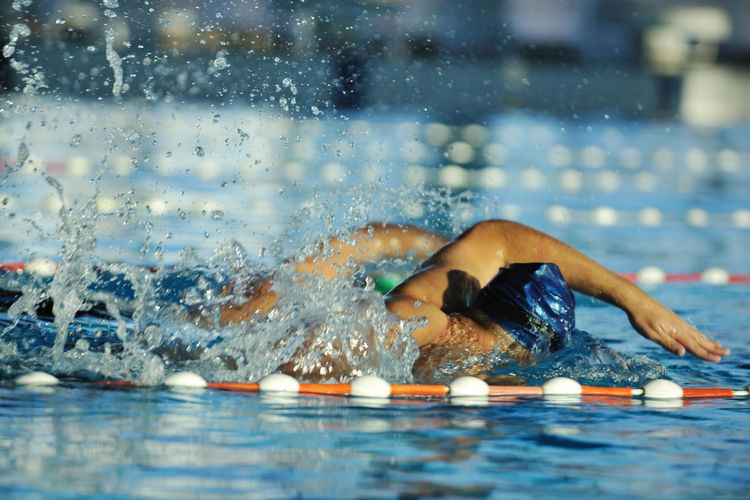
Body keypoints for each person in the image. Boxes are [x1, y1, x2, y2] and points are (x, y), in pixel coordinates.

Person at [218, 219, 730, 371]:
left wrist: (635, 300)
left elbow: (501, 239)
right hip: (252, 324)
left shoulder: (461, 296)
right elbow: (366, 327)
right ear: (522, 341)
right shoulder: (436, 324)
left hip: (276, 310)